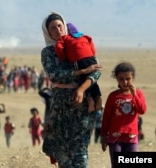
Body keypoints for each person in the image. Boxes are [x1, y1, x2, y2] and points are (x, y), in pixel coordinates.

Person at [41, 12, 102, 167]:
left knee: (80, 151)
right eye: (53, 28)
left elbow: (96, 70)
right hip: (60, 107)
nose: (57, 30)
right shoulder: (48, 52)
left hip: (80, 105)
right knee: (63, 154)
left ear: (64, 26)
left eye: (60, 26)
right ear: (48, 31)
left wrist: (82, 89)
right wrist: (79, 72)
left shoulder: (76, 43)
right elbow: (54, 75)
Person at [100, 62, 147, 168]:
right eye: (121, 79)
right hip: (115, 138)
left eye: (128, 78)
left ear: (133, 78)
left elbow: (142, 110)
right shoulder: (113, 96)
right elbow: (106, 117)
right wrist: (103, 136)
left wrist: (134, 95)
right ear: (116, 78)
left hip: (132, 137)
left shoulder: (138, 94)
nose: (125, 82)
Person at [55, 22, 102, 113]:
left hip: (79, 62)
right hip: (91, 59)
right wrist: (91, 56)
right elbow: (92, 47)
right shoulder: (85, 36)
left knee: (83, 80)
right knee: (92, 81)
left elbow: (59, 47)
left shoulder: (65, 38)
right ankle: (98, 98)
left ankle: (90, 101)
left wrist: (64, 57)